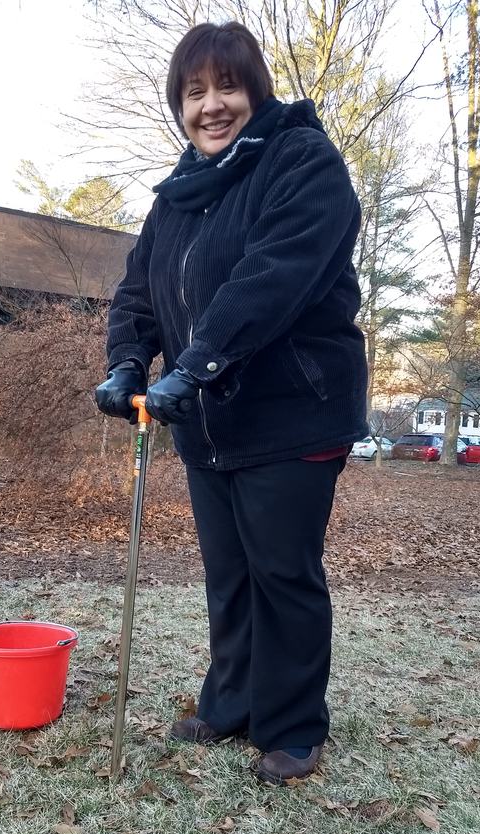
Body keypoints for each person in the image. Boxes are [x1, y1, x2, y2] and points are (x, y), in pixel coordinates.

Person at [95, 21, 368, 784]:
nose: (211, 105)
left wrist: (193, 364)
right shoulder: (179, 194)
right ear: (179, 106)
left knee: (282, 569)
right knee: (230, 571)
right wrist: (127, 363)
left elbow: (271, 277)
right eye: (194, 92)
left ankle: (292, 726)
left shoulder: (302, 162)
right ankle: (233, 701)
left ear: (255, 91)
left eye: (227, 87)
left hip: (293, 409)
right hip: (207, 420)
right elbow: (139, 291)